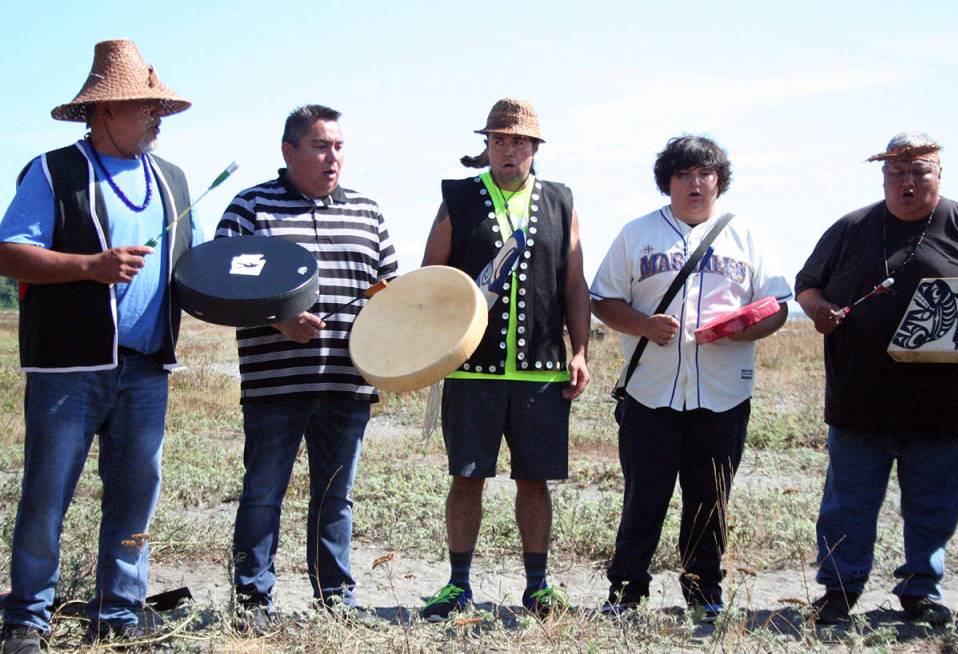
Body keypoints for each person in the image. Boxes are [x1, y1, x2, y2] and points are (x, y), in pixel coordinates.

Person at [0, 40, 193, 651]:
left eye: (158, 107)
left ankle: (119, 614)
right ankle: (27, 620)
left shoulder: (174, 180)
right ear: (104, 112)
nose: (156, 117)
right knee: (47, 493)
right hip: (68, 368)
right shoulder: (53, 171)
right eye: (144, 107)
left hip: (146, 370)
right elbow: (8, 252)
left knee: (137, 491)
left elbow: (195, 272)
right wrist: (90, 265)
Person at [796, 132, 958, 626]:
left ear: (938, 175)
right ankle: (840, 590)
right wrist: (821, 311)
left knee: (932, 505)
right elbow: (806, 285)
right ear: (883, 178)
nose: (907, 183)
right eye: (896, 173)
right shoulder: (851, 227)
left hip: (944, 402)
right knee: (847, 505)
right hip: (859, 397)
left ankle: (922, 590)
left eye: (919, 172)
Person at [590, 135, 791, 621]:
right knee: (644, 497)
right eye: (684, 175)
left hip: (723, 393)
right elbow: (603, 299)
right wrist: (644, 325)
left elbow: (778, 305)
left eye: (705, 174)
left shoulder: (746, 235)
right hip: (649, 391)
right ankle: (626, 592)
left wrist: (739, 329)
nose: (695, 184)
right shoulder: (637, 234)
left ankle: (703, 594)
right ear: (668, 183)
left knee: (709, 499)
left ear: (719, 181)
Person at [215, 104, 397, 630]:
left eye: (338, 146)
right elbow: (221, 287)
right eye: (320, 146)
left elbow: (388, 290)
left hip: (347, 384)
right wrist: (279, 322)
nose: (332, 157)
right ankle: (252, 601)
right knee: (263, 493)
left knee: (336, 495)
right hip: (276, 385)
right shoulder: (251, 208)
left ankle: (335, 597)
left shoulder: (368, 211)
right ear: (289, 151)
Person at [418, 98, 590, 621]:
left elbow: (574, 283)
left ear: (535, 148)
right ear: (486, 146)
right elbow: (433, 276)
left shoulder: (560, 201)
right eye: (498, 140)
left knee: (533, 479)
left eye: (518, 141)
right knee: (467, 477)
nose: (508, 150)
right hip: (472, 368)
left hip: (540, 370)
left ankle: (537, 586)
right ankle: (457, 585)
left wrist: (579, 351)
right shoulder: (459, 198)